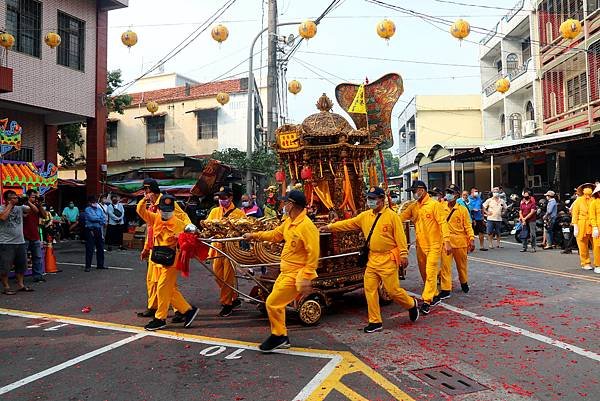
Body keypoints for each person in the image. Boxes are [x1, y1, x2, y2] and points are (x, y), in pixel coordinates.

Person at [321, 187, 419, 332]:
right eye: (369, 198)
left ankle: (411, 304)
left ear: (381, 200)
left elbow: (400, 237)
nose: (370, 201)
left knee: (393, 291)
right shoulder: (365, 216)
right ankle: (375, 321)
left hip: (388, 258)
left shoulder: (392, 217)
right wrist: (329, 227)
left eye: (373, 199)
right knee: (369, 289)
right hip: (372, 259)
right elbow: (348, 224)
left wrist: (403, 255)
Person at [243, 190, 319, 351]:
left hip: (296, 274)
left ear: (292, 205)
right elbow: (275, 235)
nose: (283, 205)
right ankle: (281, 336)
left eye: (286, 202)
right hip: (285, 272)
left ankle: (278, 336)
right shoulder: (289, 222)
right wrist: (254, 235)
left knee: (273, 303)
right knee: (275, 303)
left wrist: (306, 277)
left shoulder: (307, 226)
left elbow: (313, 255)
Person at [136, 193, 199, 331]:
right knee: (168, 289)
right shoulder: (155, 218)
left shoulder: (180, 224)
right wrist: (144, 200)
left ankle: (160, 318)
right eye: (163, 209)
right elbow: (140, 211)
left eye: (168, 210)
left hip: (172, 261)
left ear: (173, 210)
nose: (165, 213)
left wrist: (181, 238)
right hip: (158, 259)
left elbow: (191, 240)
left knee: (162, 288)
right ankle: (188, 310)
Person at [400, 180, 451, 315]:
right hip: (420, 246)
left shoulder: (434, 205)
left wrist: (446, 241)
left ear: (421, 190)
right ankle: (433, 293)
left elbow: (442, 223)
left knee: (430, 272)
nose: (413, 194)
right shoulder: (414, 206)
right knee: (424, 273)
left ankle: (427, 301)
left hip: (434, 245)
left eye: (414, 191)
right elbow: (400, 218)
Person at [207, 187, 246, 317]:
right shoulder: (214, 211)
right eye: (220, 198)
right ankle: (233, 297)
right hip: (217, 248)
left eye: (224, 198)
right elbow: (207, 226)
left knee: (228, 278)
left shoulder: (239, 214)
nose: (221, 200)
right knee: (218, 276)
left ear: (230, 198)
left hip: (230, 249)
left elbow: (244, 230)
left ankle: (227, 304)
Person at [438, 184, 475, 299]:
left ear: (457, 195)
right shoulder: (441, 207)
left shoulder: (462, 209)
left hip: (460, 242)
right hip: (446, 242)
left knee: (461, 266)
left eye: (452, 192)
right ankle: (445, 289)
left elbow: (468, 226)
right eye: (448, 192)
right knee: (445, 267)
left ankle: (463, 282)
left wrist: (472, 239)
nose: (449, 195)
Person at [0, 190, 34, 294]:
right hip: (6, 242)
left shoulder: (20, 207)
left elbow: (33, 211)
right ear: (7, 199)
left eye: (16, 197)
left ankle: (21, 285)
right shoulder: (1, 208)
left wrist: (27, 201)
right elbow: (3, 217)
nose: (15, 199)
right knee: (5, 266)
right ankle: (6, 287)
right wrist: (10, 205)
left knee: (21, 265)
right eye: (13, 198)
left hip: (20, 241)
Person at [22, 189, 48, 282]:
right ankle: (20, 277)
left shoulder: (37, 206)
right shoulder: (23, 206)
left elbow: (45, 216)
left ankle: (38, 276)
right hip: (24, 235)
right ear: (28, 197)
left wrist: (40, 204)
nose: (35, 198)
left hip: (35, 235)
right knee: (22, 258)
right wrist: (28, 202)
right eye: (33, 197)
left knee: (37, 257)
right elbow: (31, 210)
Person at [571, 183, 595, 269]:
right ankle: (585, 263)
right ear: (583, 190)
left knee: (596, 245)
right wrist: (575, 227)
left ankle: (597, 262)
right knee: (582, 245)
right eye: (586, 187)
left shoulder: (594, 199)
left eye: (590, 187)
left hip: (593, 224)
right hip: (582, 225)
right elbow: (575, 214)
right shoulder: (578, 200)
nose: (588, 189)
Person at [84, 195, 106, 272]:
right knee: (90, 248)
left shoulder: (99, 210)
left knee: (100, 247)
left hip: (98, 229)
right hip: (91, 230)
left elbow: (103, 219)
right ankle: (88, 266)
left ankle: (100, 265)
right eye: (93, 202)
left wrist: (99, 219)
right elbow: (91, 218)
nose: (95, 203)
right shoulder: (87, 210)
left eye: (95, 201)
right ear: (89, 203)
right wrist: (99, 219)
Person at [589, 184, 600, 274]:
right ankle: (597, 264)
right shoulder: (594, 203)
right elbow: (592, 216)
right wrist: (595, 227)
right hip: (598, 227)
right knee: (597, 247)